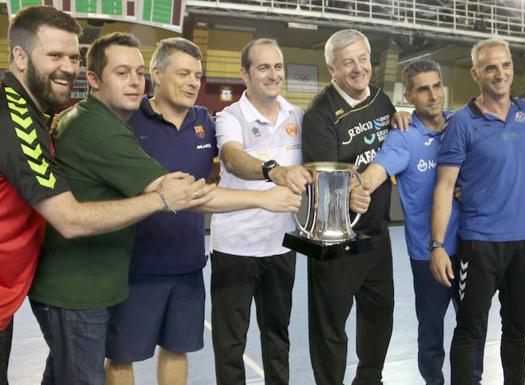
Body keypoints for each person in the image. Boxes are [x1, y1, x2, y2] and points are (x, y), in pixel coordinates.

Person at [0, 7, 210, 385]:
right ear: (19, 56)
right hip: (65, 289)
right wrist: (162, 199)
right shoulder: (15, 116)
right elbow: (69, 219)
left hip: (25, 287)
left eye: (72, 57)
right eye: (54, 56)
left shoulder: (42, 112)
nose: (67, 67)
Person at [103, 37, 302, 385]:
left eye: (197, 74)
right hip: (134, 266)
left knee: (177, 350)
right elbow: (229, 161)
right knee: (122, 356)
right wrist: (267, 185)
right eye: (183, 73)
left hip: (188, 265)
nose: (193, 82)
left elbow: (226, 163)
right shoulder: (127, 121)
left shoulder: (205, 122)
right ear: (157, 74)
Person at [352, 60, 484, 385]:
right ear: (409, 95)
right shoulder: (404, 137)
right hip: (429, 256)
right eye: (423, 89)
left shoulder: (462, 123)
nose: (433, 95)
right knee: (431, 331)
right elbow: (377, 171)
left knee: (473, 326)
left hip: (471, 247)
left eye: (437, 86)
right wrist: (356, 187)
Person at [429, 38, 525, 385]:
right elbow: (445, 186)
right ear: (476, 73)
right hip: (480, 244)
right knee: (470, 331)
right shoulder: (462, 122)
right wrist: (437, 245)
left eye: (505, 65)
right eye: (491, 67)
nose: (500, 73)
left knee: (518, 330)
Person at [210, 38, 312, 385]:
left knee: (277, 337)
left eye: (278, 66)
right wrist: (274, 170)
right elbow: (233, 158)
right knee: (230, 344)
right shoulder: (230, 117)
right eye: (263, 67)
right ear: (245, 74)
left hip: (282, 247)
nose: (273, 74)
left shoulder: (297, 116)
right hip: (235, 249)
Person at [302, 29, 395, 385]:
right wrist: (349, 191)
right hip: (336, 243)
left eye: (362, 59)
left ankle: (369, 380)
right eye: (347, 63)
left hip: (377, 236)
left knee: (379, 318)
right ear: (332, 69)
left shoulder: (383, 101)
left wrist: (400, 118)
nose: (358, 69)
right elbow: (327, 178)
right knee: (331, 328)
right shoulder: (320, 114)